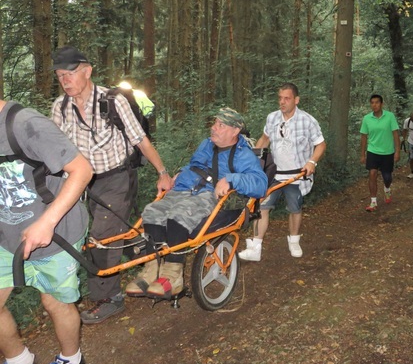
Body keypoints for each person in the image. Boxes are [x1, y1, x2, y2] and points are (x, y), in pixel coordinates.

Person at [50, 45, 172, 325]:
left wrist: (162, 172)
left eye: (69, 73)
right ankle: (143, 245)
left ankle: (109, 298)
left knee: (102, 238)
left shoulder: (113, 101)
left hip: (117, 176)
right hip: (82, 182)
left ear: (87, 71)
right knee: (94, 230)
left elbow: (140, 139)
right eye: (59, 75)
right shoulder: (60, 107)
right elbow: (54, 149)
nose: (65, 80)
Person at [125, 107, 268, 298]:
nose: (214, 128)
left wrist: (232, 179)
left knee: (180, 213)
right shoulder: (206, 144)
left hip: (209, 196)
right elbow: (195, 165)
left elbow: (260, 184)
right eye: (215, 123)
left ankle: (173, 276)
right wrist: (180, 174)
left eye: (221, 125)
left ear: (235, 131)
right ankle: (152, 269)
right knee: (152, 211)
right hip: (184, 189)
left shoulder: (243, 155)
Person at [0, 100, 93, 364]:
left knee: (55, 303)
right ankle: (20, 362)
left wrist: (47, 223)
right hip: (6, 236)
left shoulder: (25, 123)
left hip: (56, 231)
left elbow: (82, 170)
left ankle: (72, 360)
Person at [238, 83, 325, 262]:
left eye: (287, 98)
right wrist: (251, 160)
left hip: (296, 175)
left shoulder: (307, 120)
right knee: (261, 207)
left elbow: (321, 144)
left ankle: (294, 240)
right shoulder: (272, 118)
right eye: (280, 98)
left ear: (296, 100)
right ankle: (256, 246)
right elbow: (265, 139)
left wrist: (312, 162)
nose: (282, 102)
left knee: (295, 208)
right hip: (275, 175)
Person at [360, 94, 400, 212]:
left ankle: (387, 189)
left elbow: (395, 134)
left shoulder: (390, 116)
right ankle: (373, 202)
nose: (374, 105)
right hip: (372, 151)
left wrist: (397, 151)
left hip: (388, 152)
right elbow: (363, 137)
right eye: (372, 102)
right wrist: (363, 154)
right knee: (372, 173)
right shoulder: (367, 118)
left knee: (387, 177)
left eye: (377, 102)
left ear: (382, 104)